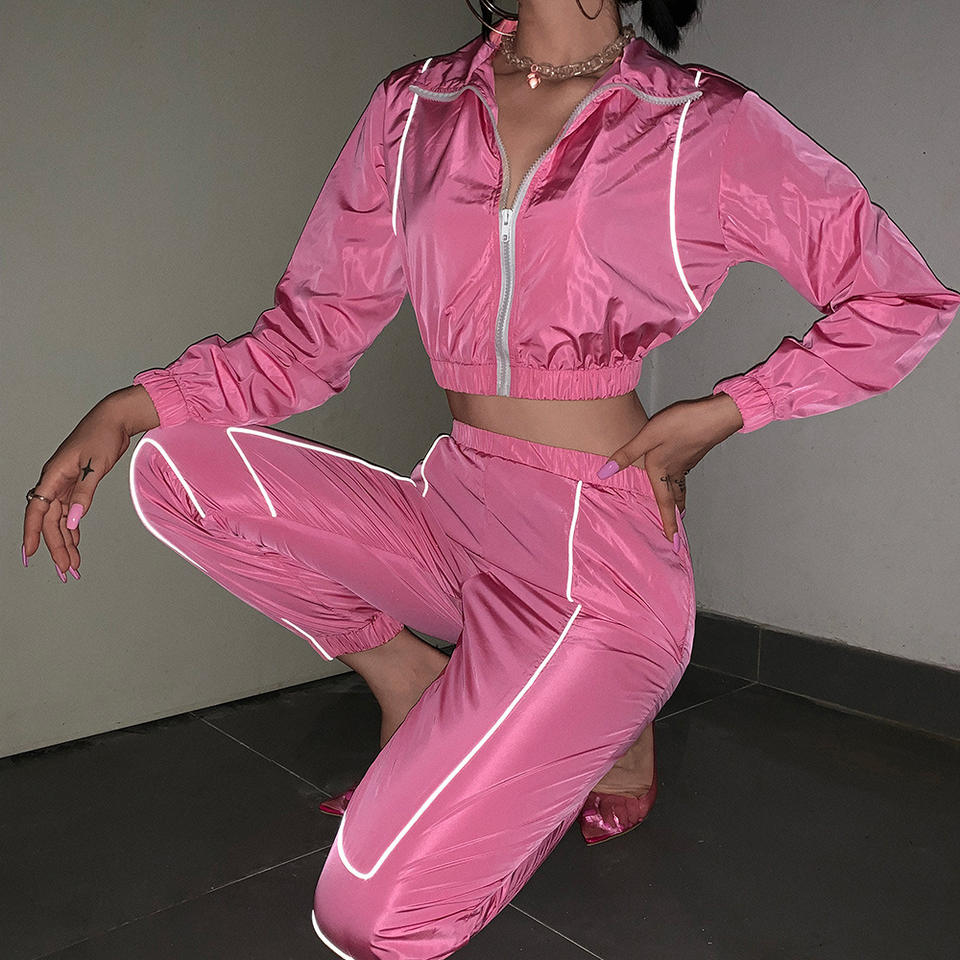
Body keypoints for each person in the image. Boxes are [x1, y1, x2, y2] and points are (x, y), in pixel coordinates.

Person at [21, 1, 959, 957]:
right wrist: (130, 409)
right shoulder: (415, 107)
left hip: (594, 561)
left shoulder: (696, 121)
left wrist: (726, 412)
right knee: (174, 469)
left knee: (365, 917)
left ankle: (602, 708)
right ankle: (412, 680)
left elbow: (901, 296)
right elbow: (309, 337)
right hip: (458, 511)